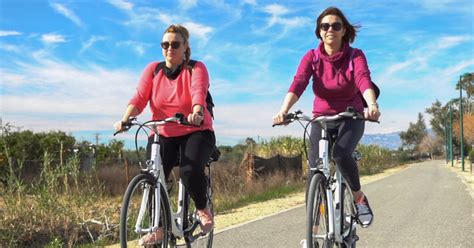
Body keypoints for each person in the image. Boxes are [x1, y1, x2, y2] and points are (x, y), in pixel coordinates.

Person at [272, 6, 379, 228]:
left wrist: (371, 105)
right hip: (321, 118)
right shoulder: (312, 57)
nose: (330, 29)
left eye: (336, 26)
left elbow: (362, 79)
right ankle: (313, 230)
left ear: (343, 31)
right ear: (319, 31)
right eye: (325, 26)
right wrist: (283, 110)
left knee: (340, 153)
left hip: (351, 116)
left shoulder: (355, 55)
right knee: (315, 170)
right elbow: (299, 83)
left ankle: (358, 198)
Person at [114, 24, 215, 245]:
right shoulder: (153, 69)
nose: (170, 48)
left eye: (175, 44)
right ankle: (159, 227)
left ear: (185, 46)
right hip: (162, 132)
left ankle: (202, 207)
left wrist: (197, 111)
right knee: (153, 175)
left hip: (195, 129)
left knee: (188, 171)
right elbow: (140, 97)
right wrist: (125, 118)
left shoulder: (196, 68)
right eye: (165, 44)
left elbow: (198, 91)